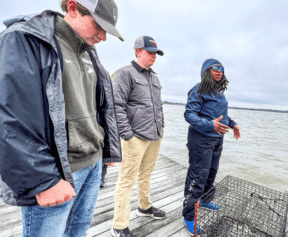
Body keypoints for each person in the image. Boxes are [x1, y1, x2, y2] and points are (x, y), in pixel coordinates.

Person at [0, 0, 123, 236]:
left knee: (78, 231)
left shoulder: (90, 52)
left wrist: (107, 151)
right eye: (99, 26)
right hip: (56, 172)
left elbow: (99, 107)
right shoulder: (25, 38)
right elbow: (11, 115)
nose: (103, 37)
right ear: (73, 8)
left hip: (93, 164)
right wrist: (42, 180)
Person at [111, 36, 166, 237]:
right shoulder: (124, 73)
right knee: (126, 180)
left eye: (155, 53)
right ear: (138, 51)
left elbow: (158, 106)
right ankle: (119, 225)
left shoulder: (155, 78)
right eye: (150, 52)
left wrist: (161, 129)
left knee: (146, 175)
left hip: (155, 136)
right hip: (135, 138)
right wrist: (127, 135)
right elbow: (116, 106)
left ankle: (144, 207)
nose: (153, 56)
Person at [182, 58, 241, 235]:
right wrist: (210, 125)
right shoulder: (198, 89)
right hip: (200, 138)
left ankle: (206, 199)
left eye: (221, 69)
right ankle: (188, 215)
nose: (219, 71)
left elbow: (221, 116)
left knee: (211, 172)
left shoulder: (219, 93)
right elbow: (189, 115)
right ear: (205, 72)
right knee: (198, 175)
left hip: (217, 139)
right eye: (214, 68)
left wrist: (233, 124)